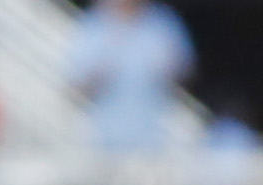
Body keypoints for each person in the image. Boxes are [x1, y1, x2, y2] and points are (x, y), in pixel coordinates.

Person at [65, 0, 195, 149]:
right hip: (102, 139)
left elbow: (184, 72)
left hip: (152, 139)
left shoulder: (161, 23)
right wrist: (98, 74)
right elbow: (74, 85)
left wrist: (170, 70)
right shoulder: (94, 26)